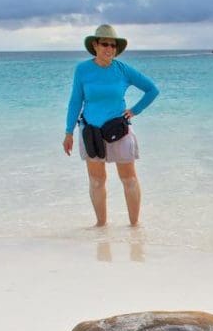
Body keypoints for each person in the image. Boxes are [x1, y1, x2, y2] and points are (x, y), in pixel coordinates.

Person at [63, 24, 159, 227]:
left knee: (129, 180)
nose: (110, 49)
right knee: (97, 181)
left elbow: (152, 90)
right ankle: (101, 227)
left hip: (119, 131)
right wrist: (68, 132)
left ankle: (134, 227)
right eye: (105, 44)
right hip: (91, 131)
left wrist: (135, 110)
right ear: (95, 45)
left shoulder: (123, 70)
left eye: (113, 45)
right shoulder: (82, 70)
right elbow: (75, 101)